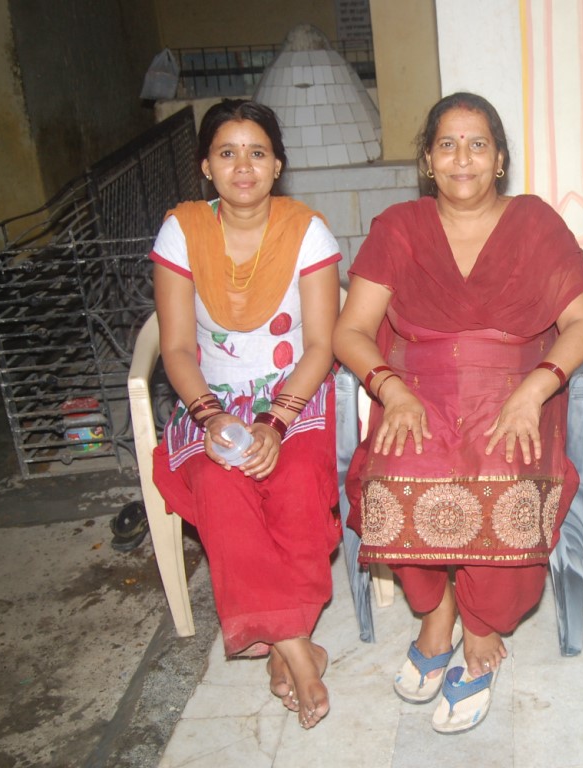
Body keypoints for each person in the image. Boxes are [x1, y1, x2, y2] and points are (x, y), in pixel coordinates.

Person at [333, 92, 583, 733]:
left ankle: (483, 627)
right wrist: (391, 390)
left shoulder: (534, 223)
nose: (463, 158)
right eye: (447, 145)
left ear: (500, 158)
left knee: (505, 482)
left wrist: (535, 391)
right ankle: (438, 613)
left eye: (478, 144)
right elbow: (351, 331)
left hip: (516, 390)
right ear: (428, 160)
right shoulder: (399, 226)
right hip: (416, 392)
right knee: (396, 477)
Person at [150, 99, 341, 728]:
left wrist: (275, 422)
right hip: (209, 401)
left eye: (257, 152)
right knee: (219, 484)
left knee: (296, 480)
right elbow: (177, 349)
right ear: (206, 166)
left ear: (277, 164)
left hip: (295, 396)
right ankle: (297, 649)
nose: (242, 166)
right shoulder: (182, 231)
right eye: (227, 153)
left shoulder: (306, 231)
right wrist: (212, 419)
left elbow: (321, 345)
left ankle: (282, 643)